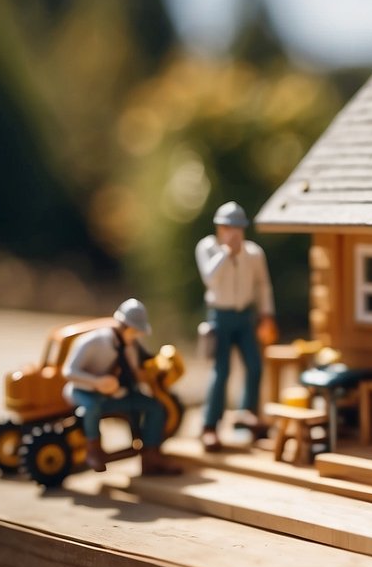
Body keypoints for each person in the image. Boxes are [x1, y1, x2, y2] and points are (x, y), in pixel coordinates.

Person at [63, 298, 182, 475]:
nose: (136, 336)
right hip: (85, 391)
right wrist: (96, 382)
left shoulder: (130, 347)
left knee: (154, 407)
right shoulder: (92, 342)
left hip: (115, 394)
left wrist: (152, 373)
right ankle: (93, 450)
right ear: (124, 327)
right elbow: (68, 372)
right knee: (91, 407)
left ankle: (151, 454)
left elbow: (135, 373)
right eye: (135, 331)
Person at [195, 201, 278, 451]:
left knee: (254, 366)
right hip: (220, 316)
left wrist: (267, 314)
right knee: (221, 372)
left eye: (237, 228)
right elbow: (210, 278)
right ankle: (210, 425)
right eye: (227, 227)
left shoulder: (253, 253)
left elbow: (263, 285)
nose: (233, 233)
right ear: (219, 228)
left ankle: (245, 419)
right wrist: (225, 252)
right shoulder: (208, 248)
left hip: (245, 317)